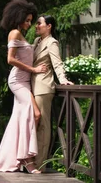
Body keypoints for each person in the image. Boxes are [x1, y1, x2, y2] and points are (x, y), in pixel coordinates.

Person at [0, 0, 48, 174]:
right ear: (18, 18)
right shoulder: (14, 33)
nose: (29, 23)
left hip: (25, 81)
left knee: (20, 118)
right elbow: (10, 59)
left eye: (30, 20)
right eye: (27, 20)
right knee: (35, 114)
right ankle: (28, 160)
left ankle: (21, 159)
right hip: (17, 81)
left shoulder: (20, 35)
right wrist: (34, 69)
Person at [31, 15, 74, 170]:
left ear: (48, 26)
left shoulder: (52, 42)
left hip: (43, 88)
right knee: (33, 125)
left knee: (43, 125)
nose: (36, 26)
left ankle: (40, 164)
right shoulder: (36, 42)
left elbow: (57, 63)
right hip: (31, 86)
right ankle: (30, 161)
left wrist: (62, 79)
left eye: (39, 24)